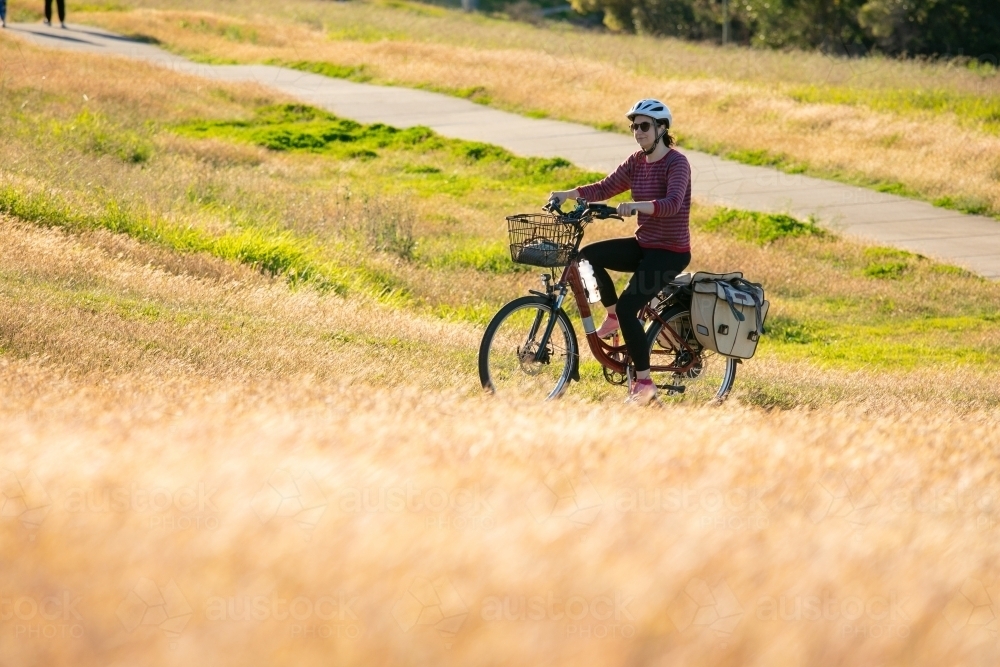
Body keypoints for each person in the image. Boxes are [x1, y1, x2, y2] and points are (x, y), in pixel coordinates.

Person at [549, 98, 692, 406]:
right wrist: (568, 194)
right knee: (586, 257)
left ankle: (644, 384)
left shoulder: (676, 163)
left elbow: (672, 205)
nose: (637, 132)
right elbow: (605, 187)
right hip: (644, 244)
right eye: (634, 126)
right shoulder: (636, 162)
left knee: (632, 308)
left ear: (662, 128)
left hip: (670, 252)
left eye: (644, 126)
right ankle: (612, 314)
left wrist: (636, 205)